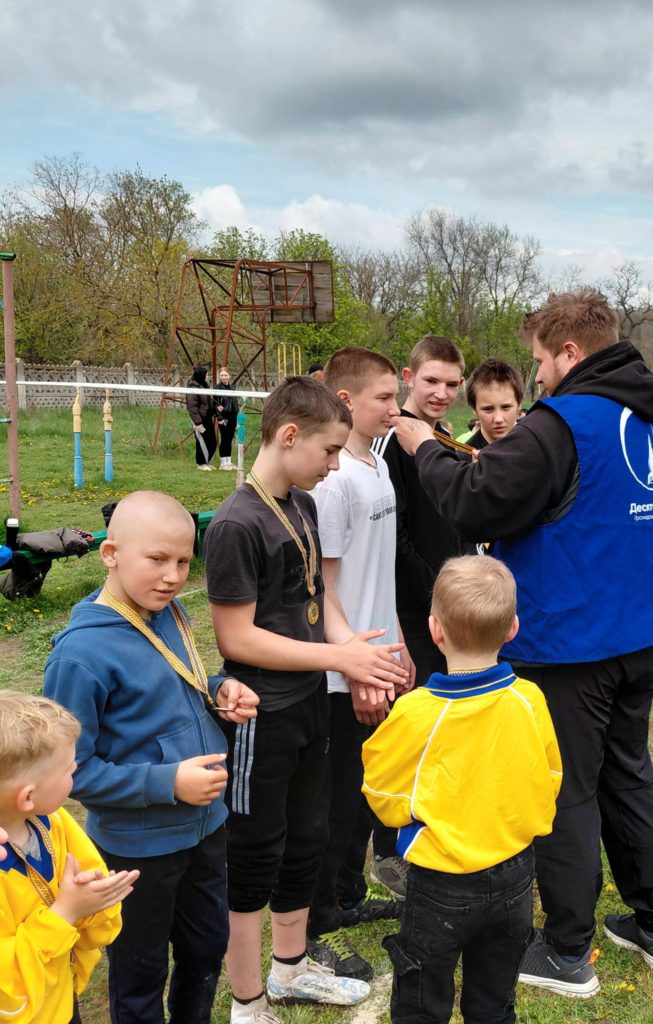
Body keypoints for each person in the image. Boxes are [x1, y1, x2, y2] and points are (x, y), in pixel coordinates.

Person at [390, 290, 653, 998]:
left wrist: (423, 446)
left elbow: (476, 499)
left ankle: (567, 949)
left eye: (541, 361)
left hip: (575, 641)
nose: (539, 375)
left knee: (570, 791)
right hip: (641, 631)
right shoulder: (646, 419)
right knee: (628, 773)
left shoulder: (562, 422)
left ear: (570, 353)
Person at [203, 376, 409, 1024]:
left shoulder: (304, 506)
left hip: (311, 705)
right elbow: (237, 637)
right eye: (328, 451)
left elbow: (320, 603)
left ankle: (290, 971)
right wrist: (337, 658)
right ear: (289, 435)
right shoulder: (236, 524)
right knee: (254, 853)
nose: (333, 466)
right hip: (260, 714)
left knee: (307, 838)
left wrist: (358, 651)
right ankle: (247, 1002)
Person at [44, 490, 260, 1024]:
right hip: (138, 850)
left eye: (184, 562)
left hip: (206, 829)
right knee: (141, 974)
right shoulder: (79, 655)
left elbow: (175, 687)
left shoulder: (168, 612)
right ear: (110, 554)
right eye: (157, 559)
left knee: (205, 950)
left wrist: (219, 690)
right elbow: (69, 772)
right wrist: (167, 783)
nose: (172, 576)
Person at [362, 555, 561, 1024]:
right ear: (513, 628)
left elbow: (379, 788)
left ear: (434, 630)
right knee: (494, 1002)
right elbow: (550, 777)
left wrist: (415, 820)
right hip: (515, 875)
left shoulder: (416, 712)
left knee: (420, 1001)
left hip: (440, 882)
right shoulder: (529, 699)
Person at [307, 347, 415, 967]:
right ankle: (318, 914)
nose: (395, 408)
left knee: (363, 792)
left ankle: (348, 895)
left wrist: (396, 642)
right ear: (345, 400)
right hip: (341, 672)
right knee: (335, 797)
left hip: (377, 657)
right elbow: (326, 590)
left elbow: (379, 574)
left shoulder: (376, 463)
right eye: (384, 397)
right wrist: (356, 665)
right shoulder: (335, 481)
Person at [0, 691, 136, 1024]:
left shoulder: (53, 822)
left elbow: (92, 880)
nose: (75, 775)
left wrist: (95, 897)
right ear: (28, 797)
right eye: (68, 771)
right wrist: (66, 913)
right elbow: (7, 991)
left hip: (60, 999)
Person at [371, 335, 467, 685]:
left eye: (451, 384)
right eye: (432, 381)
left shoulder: (444, 439)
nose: (442, 393)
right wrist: (435, 592)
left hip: (448, 605)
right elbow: (392, 535)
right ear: (408, 377)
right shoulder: (390, 439)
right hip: (411, 610)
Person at [464, 358, 525, 450]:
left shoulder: (537, 447)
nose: (498, 419)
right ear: (474, 408)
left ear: (519, 403)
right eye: (488, 409)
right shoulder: (464, 457)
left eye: (506, 407)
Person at [185, 366, 215, 471]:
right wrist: (197, 423)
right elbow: (192, 407)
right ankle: (201, 463)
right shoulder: (193, 388)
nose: (208, 377)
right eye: (207, 375)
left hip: (207, 417)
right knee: (202, 441)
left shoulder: (204, 386)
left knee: (212, 441)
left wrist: (216, 408)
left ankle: (206, 462)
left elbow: (209, 401)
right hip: (199, 419)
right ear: (202, 375)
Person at [214, 367, 240, 471]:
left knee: (229, 440)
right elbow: (216, 404)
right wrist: (220, 418)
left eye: (225, 375)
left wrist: (237, 419)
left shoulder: (232, 388)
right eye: (222, 375)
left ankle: (228, 462)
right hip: (224, 417)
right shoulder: (217, 388)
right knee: (224, 439)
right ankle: (223, 463)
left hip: (233, 417)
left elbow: (235, 404)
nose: (224, 377)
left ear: (229, 376)